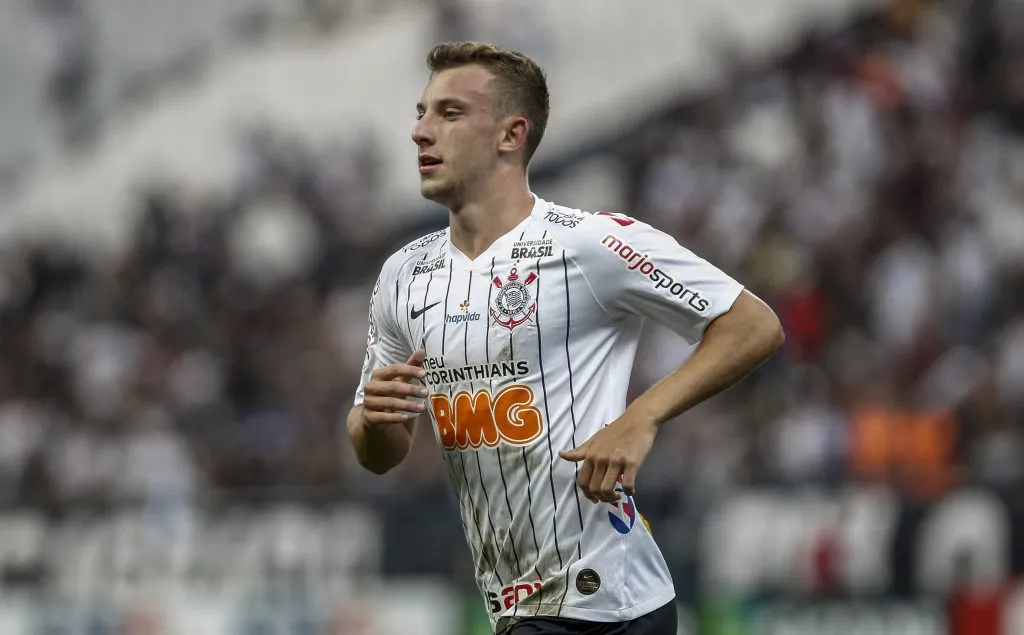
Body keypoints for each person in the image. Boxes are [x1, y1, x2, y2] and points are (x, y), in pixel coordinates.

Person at [347, 41, 785, 635]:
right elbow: (382, 453)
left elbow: (753, 324)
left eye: (449, 114)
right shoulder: (404, 275)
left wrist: (642, 417)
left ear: (511, 135)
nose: (421, 132)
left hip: (601, 603)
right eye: (421, 113)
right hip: (521, 604)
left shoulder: (588, 244)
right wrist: (373, 421)